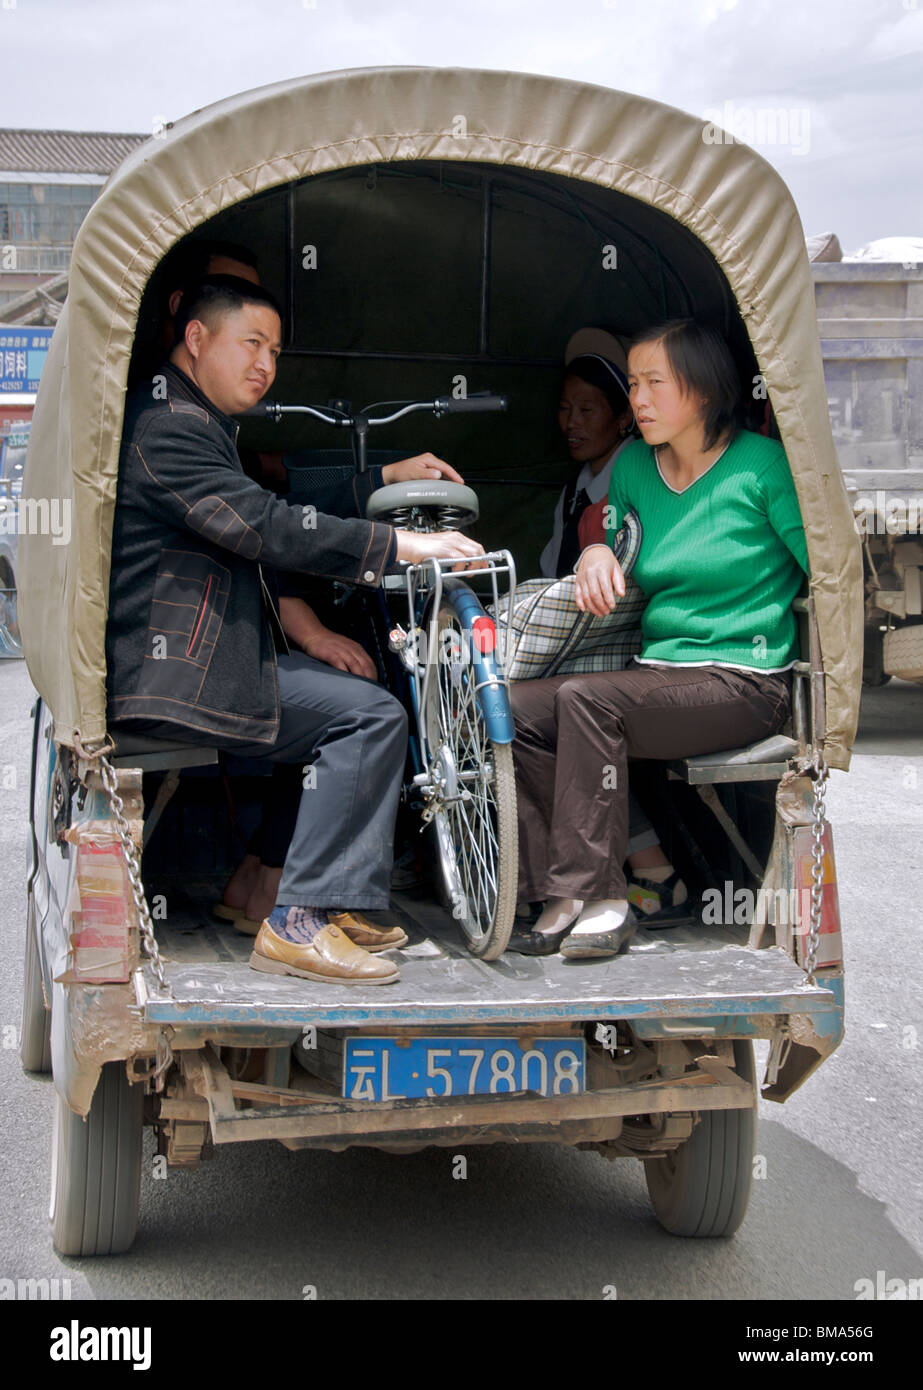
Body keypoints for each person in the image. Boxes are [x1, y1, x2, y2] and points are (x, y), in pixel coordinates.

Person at [106, 275, 484, 985]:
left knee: (352, 699)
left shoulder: (191, 420)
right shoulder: (169, 430)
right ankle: (298, 920)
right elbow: (267, 522)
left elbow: (273, 496)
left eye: (274, 351)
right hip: (178, 673)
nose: (265, 366)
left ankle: (327, 902)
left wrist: (381, 476)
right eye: (251, 343)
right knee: (367, 716)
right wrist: (400, 547)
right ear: (196, 339)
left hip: (205, 659)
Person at [509, 318, 807, 959]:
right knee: (511, 712)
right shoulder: (636, 470)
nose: (637, 400)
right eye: (635, 384)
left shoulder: (762, 467)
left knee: (590, 702)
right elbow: (616, 544)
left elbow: (827, 570)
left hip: (744, 680)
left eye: (653, 384)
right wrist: (593, 552)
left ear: (699, 390)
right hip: (659, 672)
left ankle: (606, 898)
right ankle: (558, 891)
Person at [539, 328, 637, 579]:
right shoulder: (572, 494)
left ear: (624, 416)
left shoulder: (639, 482)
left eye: (586, 410)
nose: (571, 422)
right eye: (564, 408)